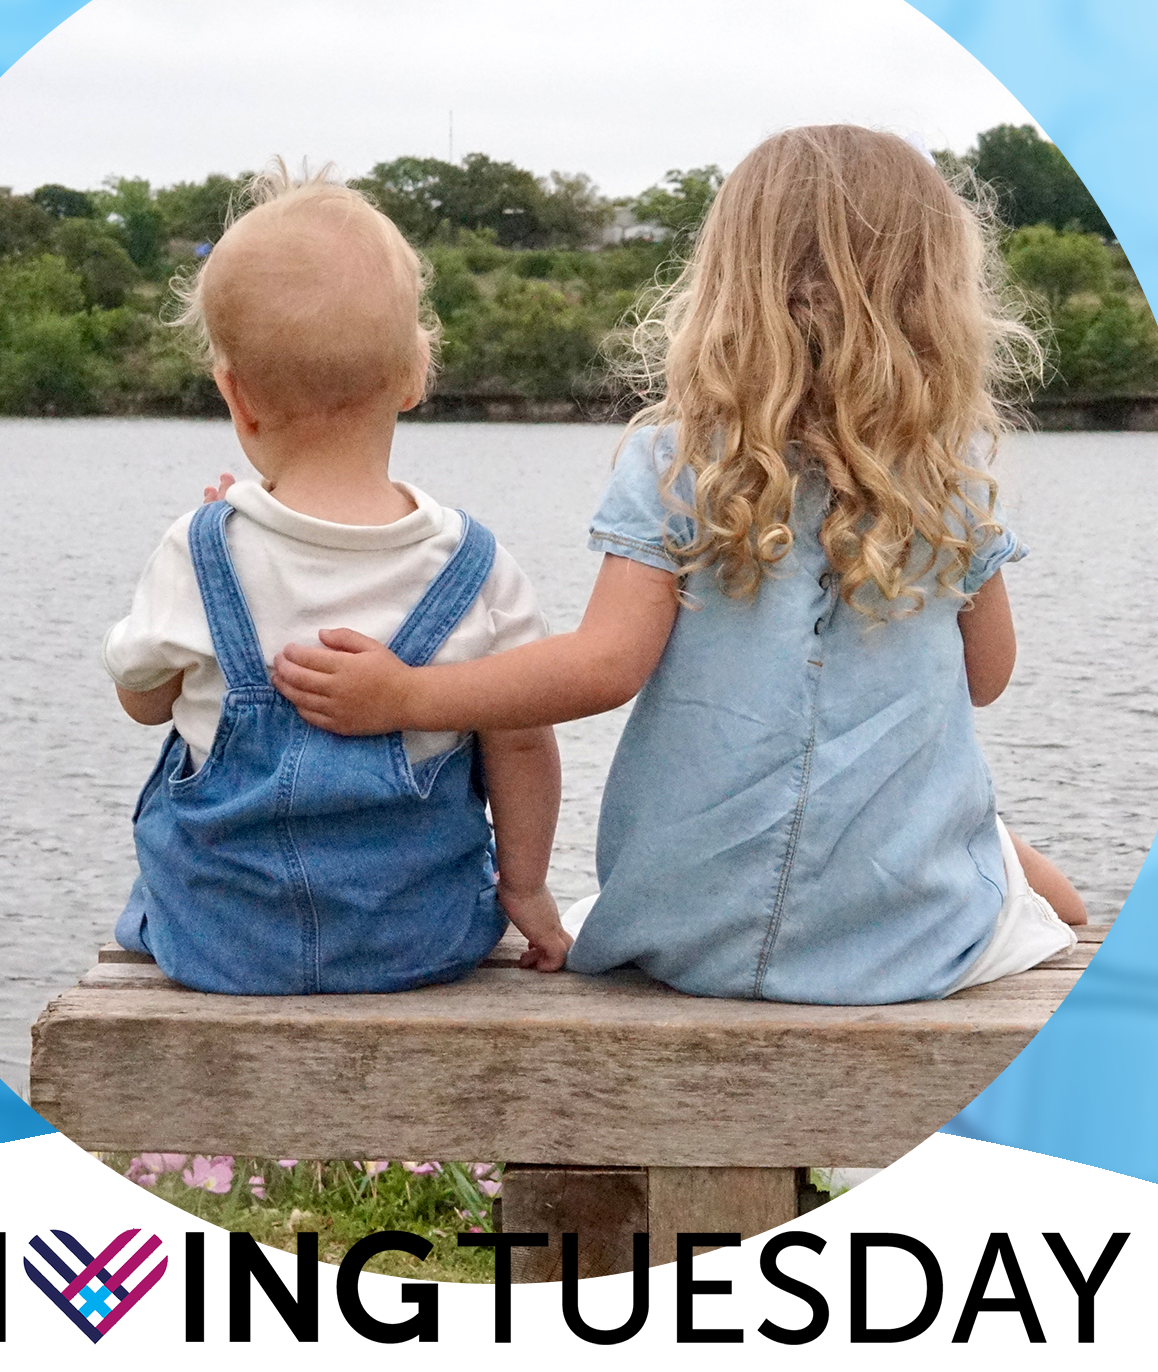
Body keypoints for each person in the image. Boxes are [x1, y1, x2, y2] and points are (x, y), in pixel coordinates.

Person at [268, 125, 1085, 1005]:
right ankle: (950, 854)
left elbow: (604, 667)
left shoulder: (678, 465)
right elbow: (987, 677)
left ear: (729, 290)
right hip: (908, 950)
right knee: (1064, 906)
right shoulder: (947, 478)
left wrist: (409, 697)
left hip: (689, 933)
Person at [101, 164, 572, 994]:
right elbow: (523, 739)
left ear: (236, 398)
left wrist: (218, 573)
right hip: (419, 942)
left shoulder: (197, 548)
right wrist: (526, 888)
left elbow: (144, 704)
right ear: (416, 375)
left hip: (220, 945)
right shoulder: (476, 565)